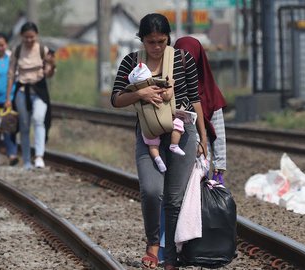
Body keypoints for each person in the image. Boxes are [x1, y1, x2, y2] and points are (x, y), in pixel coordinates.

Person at [111, 13, 207, 270]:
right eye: (151, 41)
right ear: (141, 40)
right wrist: (140, 93)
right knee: (152, 191)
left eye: (161, 41)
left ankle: (171, 256)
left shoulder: (182, 58)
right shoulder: (131, 62)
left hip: (182, 132)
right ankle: (152, 244)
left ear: (168, 39)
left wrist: (203, 137)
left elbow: (194, 98)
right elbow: (116, 99)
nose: (156, 47)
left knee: (174, 198)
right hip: (148, 134)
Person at [174, 36, 227, 183]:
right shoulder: (170, 85)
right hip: (174, 156)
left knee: (196, 195)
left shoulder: (210, 92)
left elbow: (219, 130)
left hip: (200, 158)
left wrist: (219, 166)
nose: (186, 64)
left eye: (190, 58)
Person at [4, 22, 56, 170]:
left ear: (36, 36)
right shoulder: (17, 50)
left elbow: (48, 74)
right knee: (24, 126)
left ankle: (39, 156)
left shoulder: (42, 50)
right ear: (21, 37)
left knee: (39, 119)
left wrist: (52, 65)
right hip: (21, 91)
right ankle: (26, 160)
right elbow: (10, 75)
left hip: (39, 90)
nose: (29, 40)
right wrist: (8, 98)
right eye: (26, 37)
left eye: (31, 37)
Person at [127, 62, 186, 173]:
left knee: (152, 143)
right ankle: (174, 145)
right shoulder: (156, 89)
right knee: (179, 123)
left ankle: (157, 158)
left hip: (149, 127)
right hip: (166, 121)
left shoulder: (137, 96)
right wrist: (171, 83)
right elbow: (167, 96)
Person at [0, 33, 19, 166]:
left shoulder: (11, 58)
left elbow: (14, 77)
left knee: (9, 128)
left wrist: (10, 98)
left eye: (2, 45)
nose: (0, 48)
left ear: (6, 45)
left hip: (9, 99)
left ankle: (12, 155)